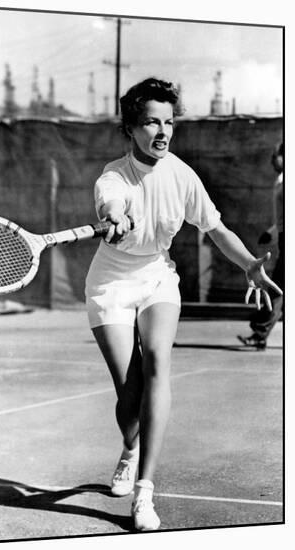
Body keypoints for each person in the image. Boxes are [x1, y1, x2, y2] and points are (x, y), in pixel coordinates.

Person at [84, 77, 282, 531]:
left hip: (157, 275)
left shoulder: (183, 175)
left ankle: (144, 492)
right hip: (111, 282)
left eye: (169, 121)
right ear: (130, 128)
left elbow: (216, 229)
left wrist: (249, 263)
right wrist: (113, 216)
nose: (163, 131)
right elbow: (110, 202)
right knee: (129, 396)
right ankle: (129, 449)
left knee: (157, 361)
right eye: (151, 122)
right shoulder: (114, 176)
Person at [238, 142, 284, 349]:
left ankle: (260, 331)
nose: (273, 160)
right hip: (283, 238)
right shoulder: (281, 180)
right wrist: (273, 231)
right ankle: (260, 331)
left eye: (276, 155)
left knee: (278, 289)